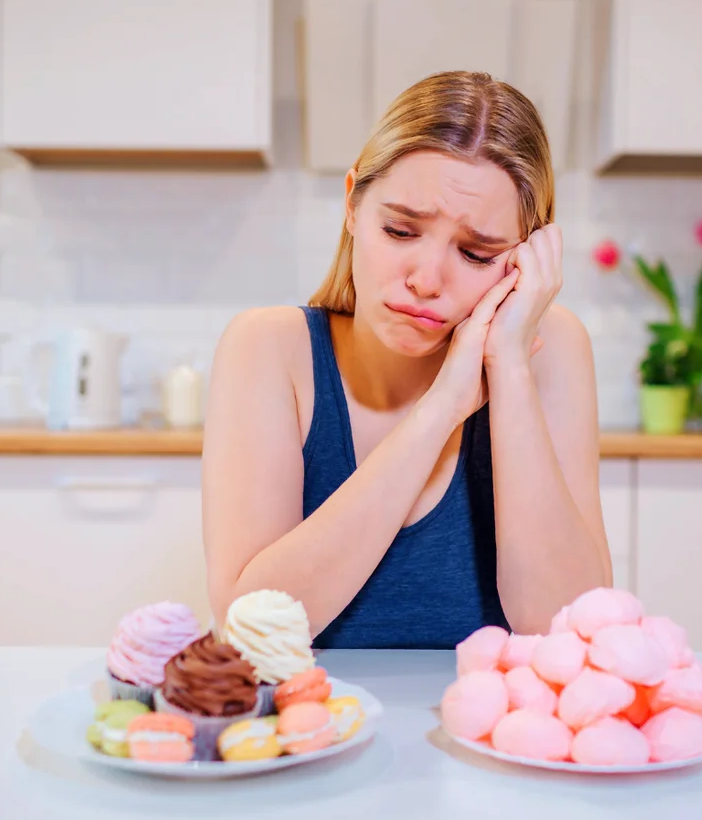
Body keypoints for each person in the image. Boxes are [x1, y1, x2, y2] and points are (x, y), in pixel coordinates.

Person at [201, 70, 612, 649]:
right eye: (399, 230)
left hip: (484, 735)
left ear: (524, 263)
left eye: (476, 253)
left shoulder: (552, 351)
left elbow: (567, 627)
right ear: (351, 204)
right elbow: (251, 627)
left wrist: (511, 370)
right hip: (319, 733)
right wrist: (443, 407)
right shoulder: (270, 348)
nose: (425, 280)